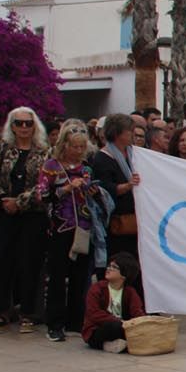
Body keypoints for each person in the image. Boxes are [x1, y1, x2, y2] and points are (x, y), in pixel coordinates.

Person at [0, 108, 48, 335]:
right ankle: (2, 310)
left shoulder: (43, 152)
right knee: (2, 262)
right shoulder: (2, 150)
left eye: (28, 124)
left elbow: (43, 185)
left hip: (31, 215)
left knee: (29, 263)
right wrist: (2, 200)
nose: (23, 128)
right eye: (19, 123)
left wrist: (19, 202)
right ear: (12, 125)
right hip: (3, 214)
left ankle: (28, 312)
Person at [38, 123, 98, 344]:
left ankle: (75, 319)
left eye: (82, 146)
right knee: (57, 277)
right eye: (75, 146)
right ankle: (54, 323)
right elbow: (42, 195)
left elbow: (93, 197)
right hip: (59, 228)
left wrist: (92, 190)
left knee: (80, 276)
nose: (79, 151)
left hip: (83, 228)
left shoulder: (86, 169)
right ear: (64, 144)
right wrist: (66, 188)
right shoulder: (51, 166)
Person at [90, 113, 142, 268]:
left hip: (135, 220)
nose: (133, 135)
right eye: (129, 131)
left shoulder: (135, 154)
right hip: (116, 223)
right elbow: (105, 189)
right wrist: (127, 185)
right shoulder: (102, 158)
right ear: (118, 133)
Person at [81, 252, 146, 351]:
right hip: (99, 329)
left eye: (114, 267)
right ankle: (112, 345)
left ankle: (117, 345)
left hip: (123, 327)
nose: (109, 268)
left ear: (124, 275)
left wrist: (141, 323)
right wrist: (119, 321)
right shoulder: (97, 288)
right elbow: (93, 313)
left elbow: (137, 312)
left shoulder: (130, 292)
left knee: (137, 329)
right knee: (114, 326)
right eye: (109, 266)